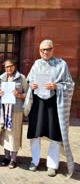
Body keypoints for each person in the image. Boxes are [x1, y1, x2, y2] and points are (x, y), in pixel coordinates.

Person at [24, 39, 74, 177]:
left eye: (48, 49)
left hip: (54, 104)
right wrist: (32, 85)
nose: (45, 52)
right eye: (42, 50)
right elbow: (29, 80)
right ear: (39, 51)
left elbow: (70, 85)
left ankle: (52, 165)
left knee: (54, 135)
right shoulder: (36, 64)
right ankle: (34, 161)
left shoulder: (61, 64)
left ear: (53, 49)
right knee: (35, 134)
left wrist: (56, 86)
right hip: (38, 104)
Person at [0, 59, 28, 169]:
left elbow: (28, 94)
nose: (9, 68)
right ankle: (6, 157)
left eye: (10, 66)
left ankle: (14, 159)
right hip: (5, 110)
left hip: (16, 110)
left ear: (14, 66)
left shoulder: (22, 78)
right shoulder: (3, 78)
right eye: (6, 67)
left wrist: (19, 95)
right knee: (5, 133)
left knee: (14, 134)